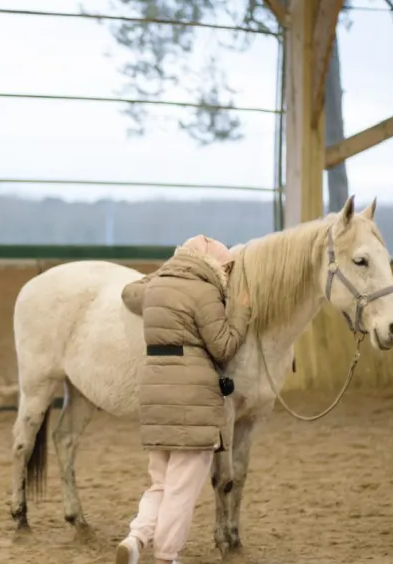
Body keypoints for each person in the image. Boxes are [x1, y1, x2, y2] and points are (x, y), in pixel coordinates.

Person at [116, 235, 252, 564]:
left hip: (155, 392)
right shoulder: (204, 292)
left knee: (160, 483)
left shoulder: (157, 286)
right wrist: (242, 313)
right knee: (181, 488)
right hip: (193, 397)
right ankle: (166, 556)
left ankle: (136, 539)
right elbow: (223, 347)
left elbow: (129, 294)